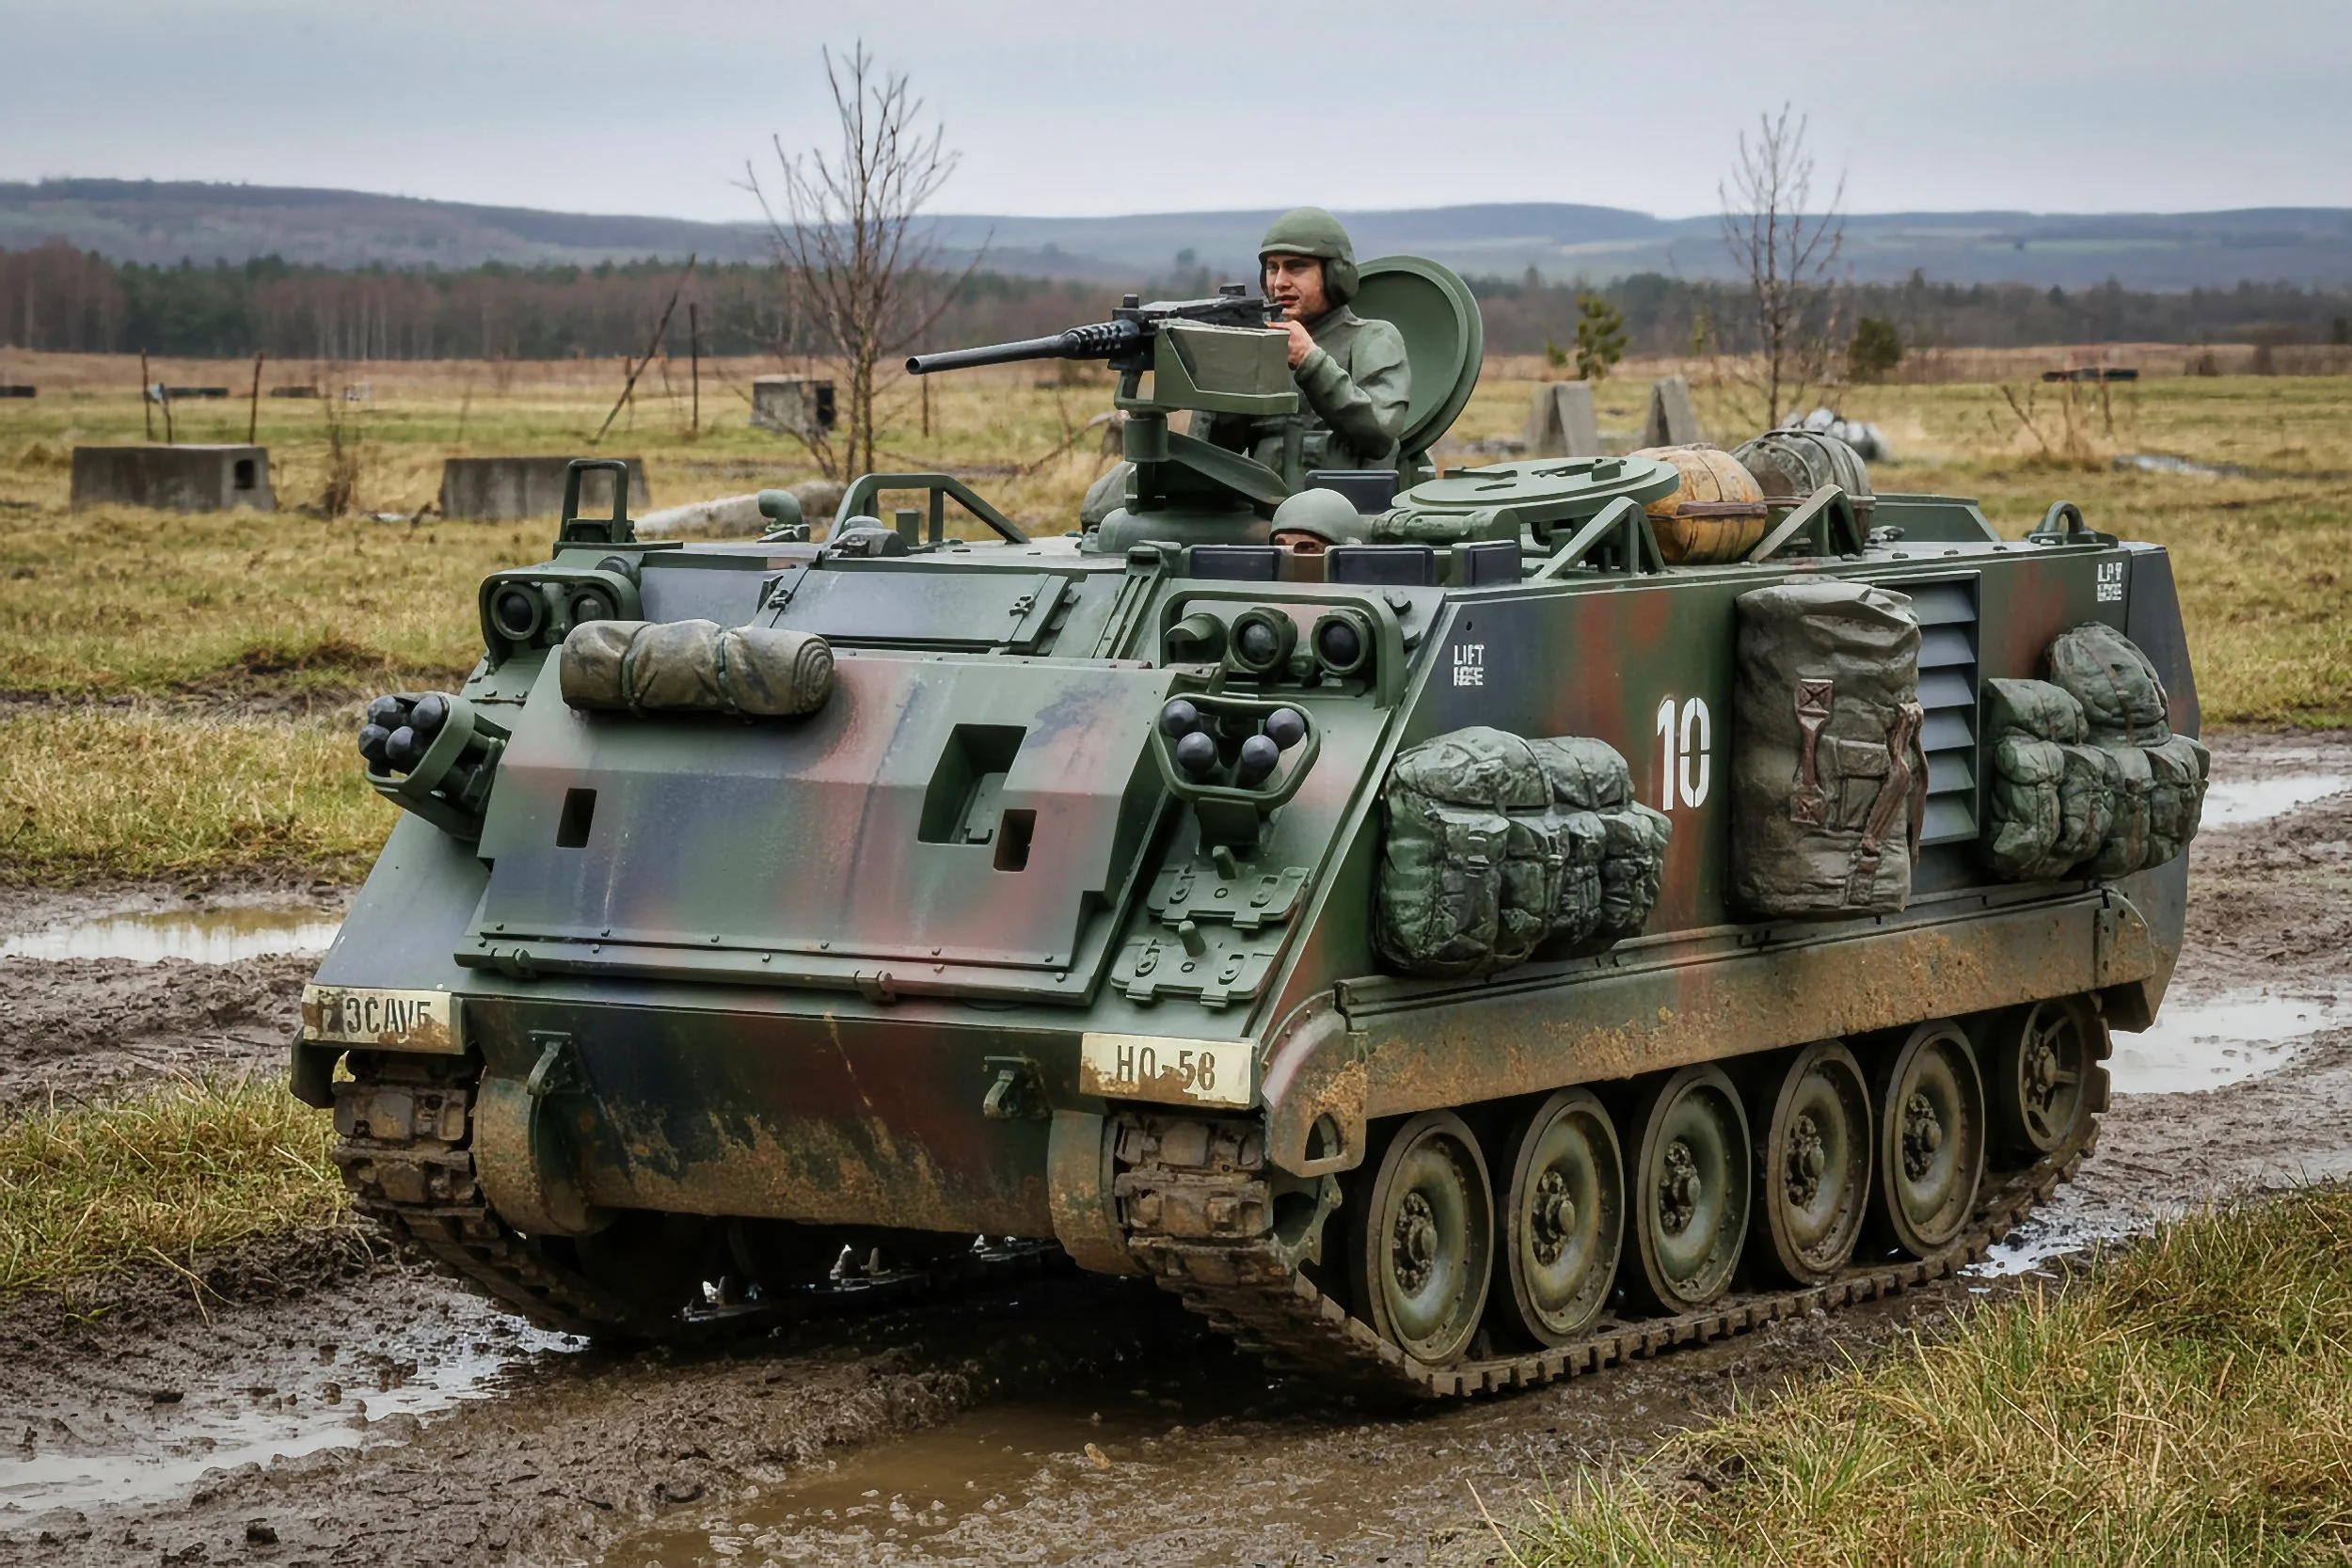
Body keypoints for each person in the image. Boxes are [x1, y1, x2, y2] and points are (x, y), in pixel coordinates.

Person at [1215, 206, 1411, 474]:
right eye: (1273, 268)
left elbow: (1379, 434)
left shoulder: (1373, 339)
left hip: (1348, 508)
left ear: (1335, 275)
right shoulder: (1262, 347)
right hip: (1263, 508)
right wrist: (1221, 378)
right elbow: (1216, 452)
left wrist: (1311, 361)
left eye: (1296, 267)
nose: (1280, 282)